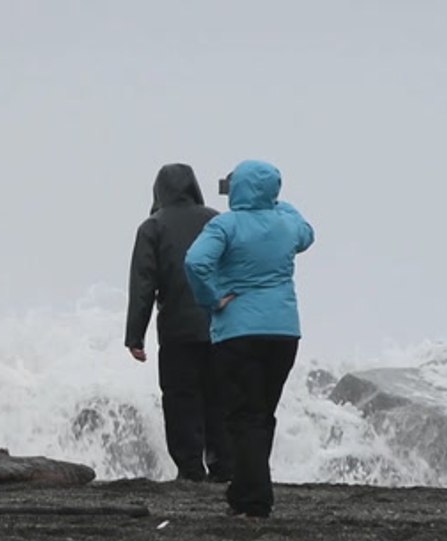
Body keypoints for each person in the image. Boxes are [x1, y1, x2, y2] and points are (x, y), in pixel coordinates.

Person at [184, 159, 314, 518]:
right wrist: (278, 203)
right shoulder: (287, 223)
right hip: (284, 332)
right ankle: (246, 491)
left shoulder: (225, 224)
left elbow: (195, 262)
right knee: (262, 415)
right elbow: (308, 232)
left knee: (243, 416)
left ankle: (254, 498)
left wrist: (211, 299)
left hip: (238, 331)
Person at [125, 163, 231, 483]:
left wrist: (135, 336)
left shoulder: (152, 227)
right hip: (220, 325)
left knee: (180, 397)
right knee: (219, 396)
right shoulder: (216, 220)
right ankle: (223, 465)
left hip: (177, 329)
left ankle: (189, 469)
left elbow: (144, 285)